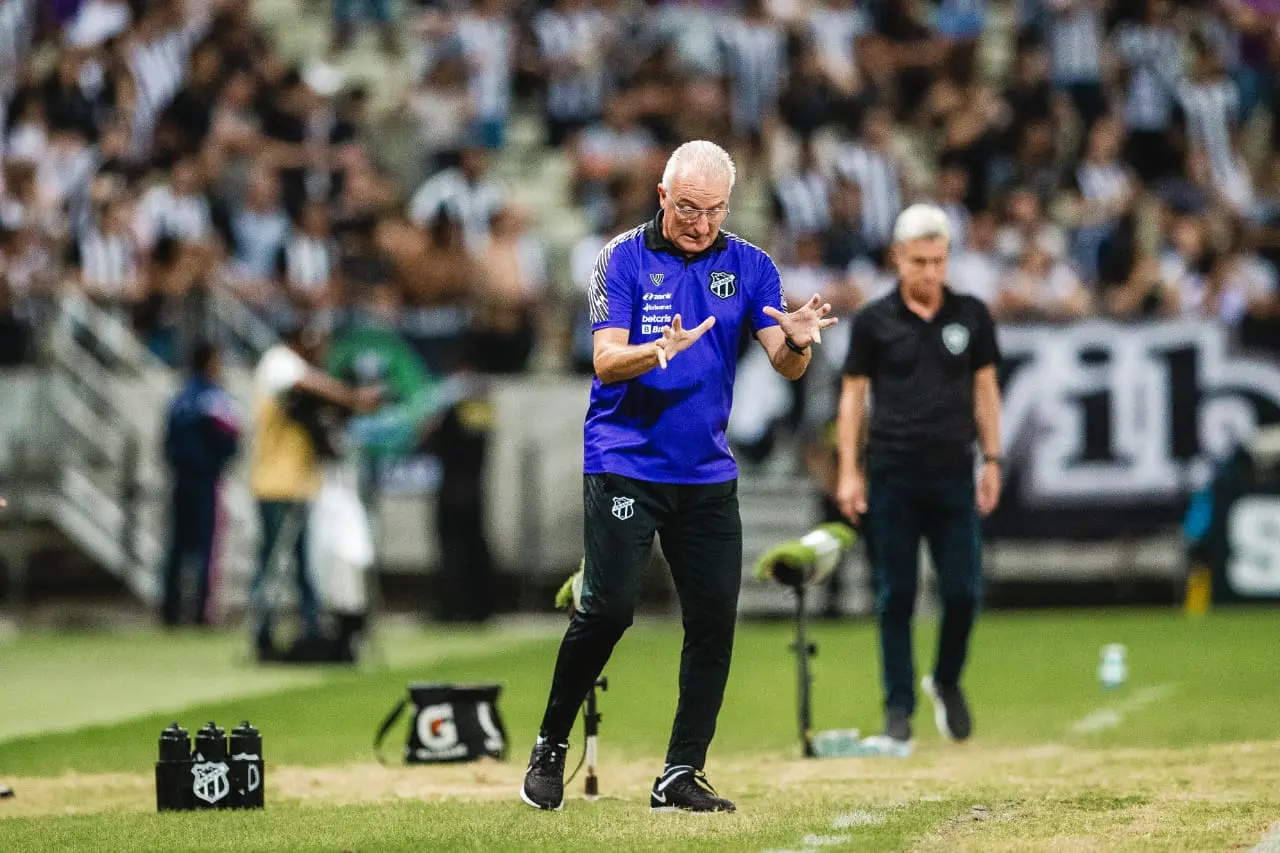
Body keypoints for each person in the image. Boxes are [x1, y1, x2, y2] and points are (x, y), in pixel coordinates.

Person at [520, 140, 837, 814]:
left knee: (715, 621)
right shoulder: (621, 258)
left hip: (705, 471)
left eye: (715, 210)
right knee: (610, 611)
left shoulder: (751, 265)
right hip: (625, 460)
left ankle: (680, 772)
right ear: (663, 195)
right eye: (689, 207)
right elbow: (605, 361)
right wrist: (655, 351)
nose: (701, 223)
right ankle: (549, 745)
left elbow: (785, 363)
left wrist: (798, 340)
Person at [835, 204, 1003, 747]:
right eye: (919, 262)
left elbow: (985, 390)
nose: (930, 272)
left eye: (938, 261)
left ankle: (946, 680)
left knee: (963, 592)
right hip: (892, 474)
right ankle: (898, 706)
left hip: (953, 472)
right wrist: (849, 471)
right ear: (898, 258)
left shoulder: (972, 316)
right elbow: (853, 397)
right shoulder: (873, 321)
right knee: (896, 595)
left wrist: (993, 459)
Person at [248, 322, 380, 658]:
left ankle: (311, 630)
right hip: (275, 483)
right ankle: (261, 632)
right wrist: (353, 398)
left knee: (305, 566)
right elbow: (306, 382)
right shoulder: (278, 361)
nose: (321, 354)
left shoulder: (296, 376)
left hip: (301, 484)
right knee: (272, 563)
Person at [159, 341, 240, 627]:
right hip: (206, 481)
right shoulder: (214, 399)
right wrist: (218, 462)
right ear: (209, 362)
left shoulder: (179, 399)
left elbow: (167, 441)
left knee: (177, 547)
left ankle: (170, 611)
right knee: (206, 547)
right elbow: (231, 438)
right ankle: (202, 614)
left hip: (180, 480)